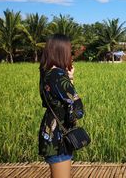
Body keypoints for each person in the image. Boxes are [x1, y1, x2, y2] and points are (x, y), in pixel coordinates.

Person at [38, 34, 84, 178]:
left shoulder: (46, 73)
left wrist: (69, 78)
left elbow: (57, 99)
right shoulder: (58, 75)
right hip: (59, 138)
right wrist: (69, 80)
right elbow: (77, 109)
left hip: (50, 130)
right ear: (61, 51)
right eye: (68, 50)